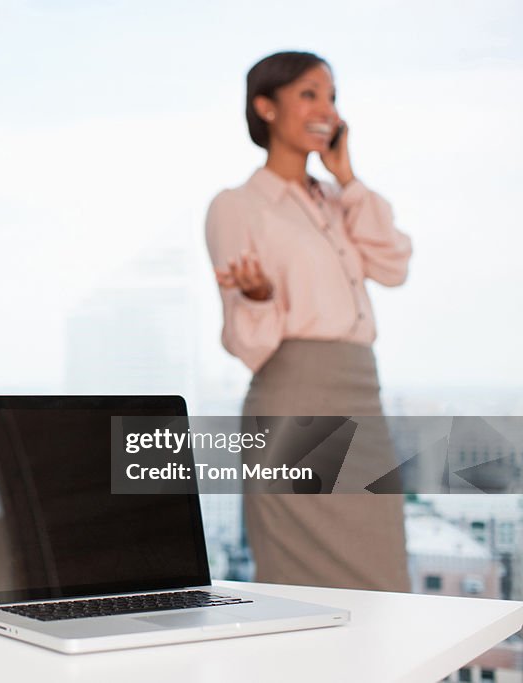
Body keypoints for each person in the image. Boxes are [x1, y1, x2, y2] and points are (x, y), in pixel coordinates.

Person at [205, 51, 412, 592]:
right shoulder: (238, 206)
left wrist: (347, 176)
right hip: (294, 399)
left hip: (362, 396)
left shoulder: (341, 203)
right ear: (265, 107)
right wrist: (258, 296)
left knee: (384, 576)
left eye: (332, 96)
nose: (327, 109)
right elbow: (248, 343)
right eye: (309, 94)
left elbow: (393, 266)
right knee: (306, 588)